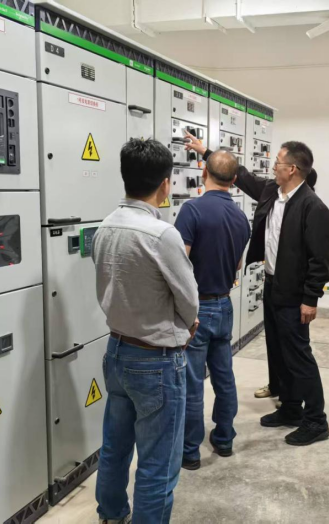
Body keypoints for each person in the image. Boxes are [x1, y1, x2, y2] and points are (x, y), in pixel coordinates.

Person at [185, 134, 329, 446]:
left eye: (277, 163)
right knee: (278, 351)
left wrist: (310, 299)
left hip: (295, 293)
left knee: (299, 355)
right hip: (272, 284)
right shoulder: (271, 192)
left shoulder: (313, 207)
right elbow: (238, 175)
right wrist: (206, 152)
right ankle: (291, 408)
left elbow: (319, 261)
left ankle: (316, 420)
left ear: (292, 169)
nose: (273, 167)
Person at [93, 138, 200, 524]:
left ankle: (111, 514)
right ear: (165, 184)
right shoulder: (161, 234)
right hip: (156, 362)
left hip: (117, 351)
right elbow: (189, 300)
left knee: (115, 446)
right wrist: (188, 323)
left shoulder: (105, 226)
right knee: (158, 463)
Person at [173, 149, 251, 470]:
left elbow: (178, 265)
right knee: (224, 377)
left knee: (193, 382)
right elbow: (238, 266)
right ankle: (224, 438)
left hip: (197, 308)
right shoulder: (241, 218)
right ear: (234, 180)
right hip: (224, 305)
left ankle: (190, 451)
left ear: (203, 172)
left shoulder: (191, 211)